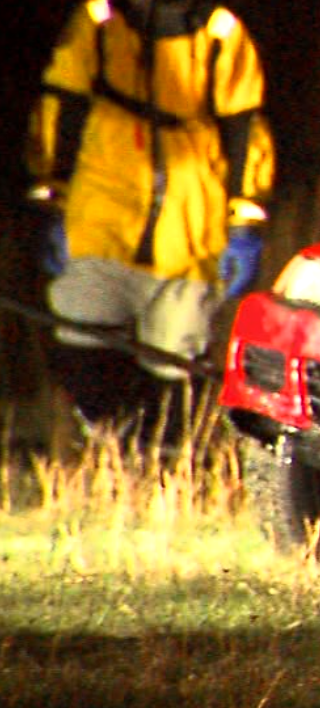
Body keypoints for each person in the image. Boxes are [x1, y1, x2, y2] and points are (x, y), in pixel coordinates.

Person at [23, 0, 274, 441]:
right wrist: (50, 196)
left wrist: (244, 220)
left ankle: (162, 465)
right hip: (100, 214)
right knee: (82, 334)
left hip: (191, 224)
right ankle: (97, 452)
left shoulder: (219, 30)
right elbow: (62, 106)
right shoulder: (99, 21)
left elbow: (244, 125)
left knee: (178, 357)